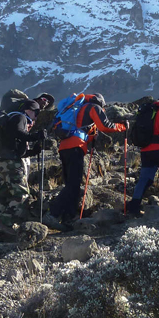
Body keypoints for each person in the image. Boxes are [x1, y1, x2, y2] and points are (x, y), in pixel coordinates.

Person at [48, 94, 127, 227]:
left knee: (70, 184)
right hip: (75, 148)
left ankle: (68, 217)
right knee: (73, 184)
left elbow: (78, 131)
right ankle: (53, 214)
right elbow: (105, 126)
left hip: (64, 147)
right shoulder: (93, 107)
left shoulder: (78, 108)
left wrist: (90, 138)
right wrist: (122, 126)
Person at [0, 99, 46, 236]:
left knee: (3, 196)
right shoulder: (20, 117)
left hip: (1, 162)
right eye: (36, 112)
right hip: (11, 164)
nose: (36, 116)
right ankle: (5, 223)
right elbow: (18, 133)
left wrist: (34, 151)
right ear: (30, 110)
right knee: (22, 194)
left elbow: (16, 146)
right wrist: (36, 136)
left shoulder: (11, 118)